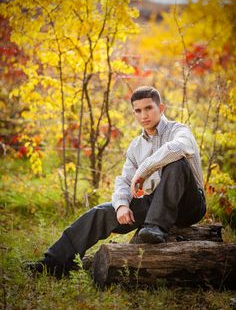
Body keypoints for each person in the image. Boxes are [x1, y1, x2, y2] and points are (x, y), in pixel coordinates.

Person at [26, 86, 206, 278]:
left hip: (189, 204)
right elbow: (125, 180)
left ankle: (154, 227)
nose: (143, 115)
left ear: (161, 108)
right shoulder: (136, 145)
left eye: (149, 108)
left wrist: (145, 169)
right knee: (101, 213)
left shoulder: (179, 130)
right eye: (138, 110)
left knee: (176, 162)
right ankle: (54, 263)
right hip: (155, 202)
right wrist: (121, 205)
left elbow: (179, 148)